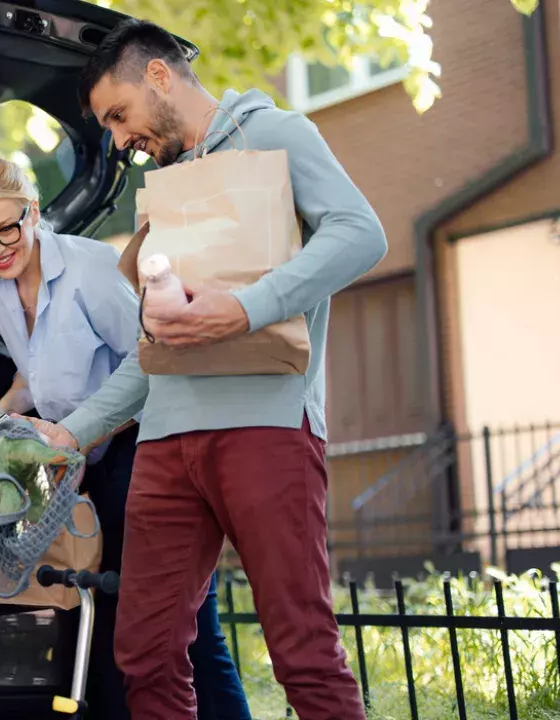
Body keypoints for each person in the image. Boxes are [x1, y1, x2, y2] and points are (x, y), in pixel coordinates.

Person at [22, 19, 388, 720]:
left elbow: (361, 233)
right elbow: (152, 350)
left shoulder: (277, 134)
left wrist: (247, 308)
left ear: (159, 75)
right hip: (163, 443)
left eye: (118, 115)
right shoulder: (163, 190)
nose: (119, 138)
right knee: (146, 652)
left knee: (302, 651)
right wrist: (74, 432)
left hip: (265, 427)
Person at [0, 148, 250, 720]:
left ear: (34, 212)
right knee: (110, 613)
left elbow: (152, 363)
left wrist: (72, 433)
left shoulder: (91, 269)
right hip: (81, 464)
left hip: (152, 448)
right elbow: (29, 376)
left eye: (6, 228)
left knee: (185, 623)